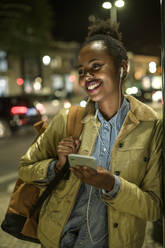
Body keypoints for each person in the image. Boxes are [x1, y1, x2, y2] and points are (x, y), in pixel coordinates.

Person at [18, 19, 163, 248]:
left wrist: (112, 184)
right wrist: (56, 166)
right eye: (82, 71)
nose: (87, 77)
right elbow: (25, 167)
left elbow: (154, 206)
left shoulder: (150, 126)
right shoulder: (68, 119)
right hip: (58, 239)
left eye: (96, 66)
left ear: (122, 68)